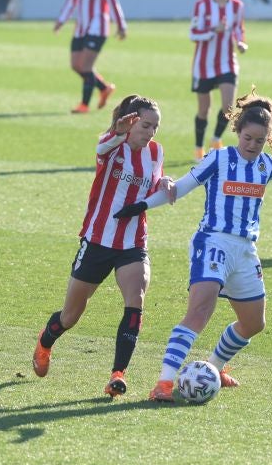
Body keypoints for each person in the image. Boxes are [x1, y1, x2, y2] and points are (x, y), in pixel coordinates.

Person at [113, 89, 272, 402]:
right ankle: (164, 383)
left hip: (245, 250)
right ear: (238, 131)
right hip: (213, 241)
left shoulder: (267, 165)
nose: (252, 145)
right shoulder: (219, 158)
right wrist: (141, 206)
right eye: (248, 138)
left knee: (254, 322)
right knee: (199, 312)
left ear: (267, 138)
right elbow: (181, 189)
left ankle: (213, 367)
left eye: (259, 140)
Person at [32, 95, 175, 400]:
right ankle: (45, 342)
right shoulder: (112, 146)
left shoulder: (155, 151)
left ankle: (117, 375)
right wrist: (118, 132)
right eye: (146, 125)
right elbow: (101, 148)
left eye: (155, 127)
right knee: (70, 316)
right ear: (131, 122)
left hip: (132, 242)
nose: (151, 132)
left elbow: (153, 185)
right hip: (97, 241)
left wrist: (164, 184)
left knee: (136, 300)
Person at [190, 0, 248, 162]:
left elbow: (239, 29)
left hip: (227, 62)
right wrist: (214, 30)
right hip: (203, 65)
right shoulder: (201, 5)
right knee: (204, 109)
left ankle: (216, 139)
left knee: (228, 106)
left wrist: (240, 42)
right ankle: (198, 147)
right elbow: (193, 33)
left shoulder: (237, 6)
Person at [54, 0, 128, 114]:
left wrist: (121, 25)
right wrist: (61, 20)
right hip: (81, 27)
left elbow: (112, 0)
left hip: (97, 26)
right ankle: (104, 88)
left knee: (86, 67)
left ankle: (84, 105)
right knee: (76, 65)